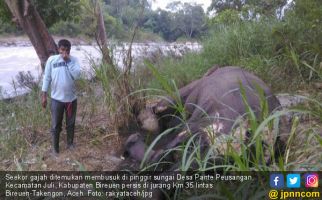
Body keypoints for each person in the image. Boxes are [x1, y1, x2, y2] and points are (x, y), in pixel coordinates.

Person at [41, 39, 81, 156]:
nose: (64, 53)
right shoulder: (52, 60)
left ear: (70, 50)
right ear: (58, 49)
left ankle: (70, 144)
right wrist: (44, 95)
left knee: (70, 123)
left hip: (71, 99)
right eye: (62, 50)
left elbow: (77, 75)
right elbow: (47, 77)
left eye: (67, 50)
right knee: (55, 125)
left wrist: (68, 61)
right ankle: (55, 149)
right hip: (56, 99)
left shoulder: (74, 60)